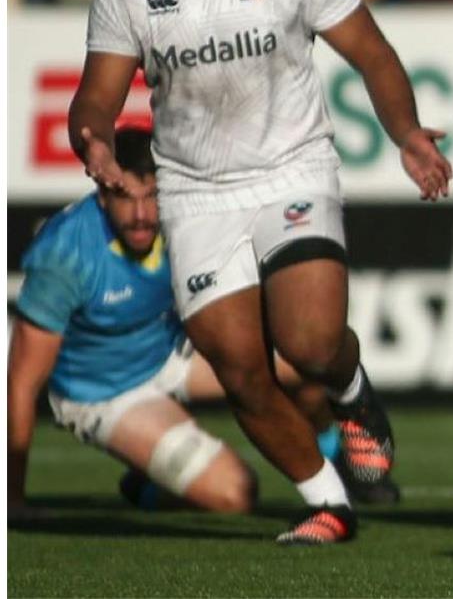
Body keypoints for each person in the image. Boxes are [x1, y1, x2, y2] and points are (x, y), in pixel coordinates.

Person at [67, 0, 452, 545]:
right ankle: (330, 502)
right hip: (196, 192)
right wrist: (92, 140)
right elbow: (96, 98)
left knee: (308, 344)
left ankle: (350, 388)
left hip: (291, 169)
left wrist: (405, 133)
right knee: (241, 369)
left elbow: (371, 52)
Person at [8, 129, 401, 517]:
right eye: (125, 198)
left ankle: (338, 459)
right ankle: (147, 484)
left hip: (171, 352)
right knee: (237, 493)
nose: (142, 215)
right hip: (105, 392)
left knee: (304, 357)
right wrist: (13, 499)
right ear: (102, 192)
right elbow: (22, 383)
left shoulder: (185, 221)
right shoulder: (65, 253)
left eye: (152, 196)